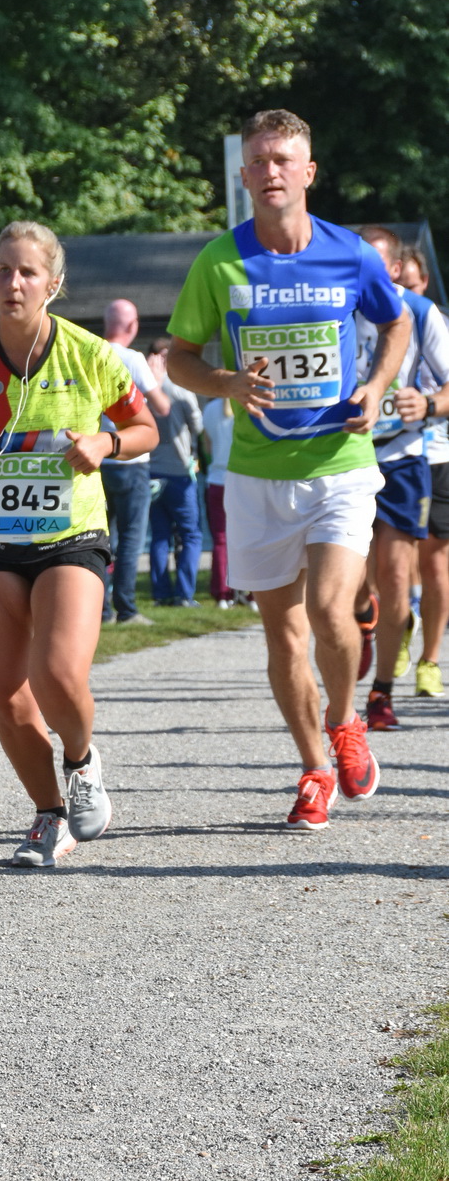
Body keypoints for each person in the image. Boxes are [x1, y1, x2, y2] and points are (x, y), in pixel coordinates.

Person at [167, 108, 409, 831]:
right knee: (282, 636)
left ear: (307, 172)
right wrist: (224, 384)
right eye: (259, 160)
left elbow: (394, 322)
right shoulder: (218, 261)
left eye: (284, 160)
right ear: (244, 176)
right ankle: (312, 766)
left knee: (332, 610)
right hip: (255, 471)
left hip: (338, 460)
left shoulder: (351, 255)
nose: (270, 171)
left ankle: (343, 723)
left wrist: (374, 387)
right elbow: (177, 355)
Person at [0, 222, 157, 868]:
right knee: (8, 694)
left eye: (26, 273)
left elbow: (146, 428)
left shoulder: (89, 354)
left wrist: (105, 443)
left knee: (56, 673)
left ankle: (80, 758)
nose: (12, 283)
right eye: (1, 272)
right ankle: (47, 816)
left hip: (71, 532)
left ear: (52, 284)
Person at [354, 227, 449, 730]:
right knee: (352, 585)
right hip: (344, 458)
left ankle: (381, 693)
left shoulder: (420, 311)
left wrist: (429, 403)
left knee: (395, 579)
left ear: (393, 268)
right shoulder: (332, 309)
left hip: (404, 458)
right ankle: (363, 619)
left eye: (373, 262)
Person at [398, 245, 449, 697]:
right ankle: (399, 616)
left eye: (411, 285)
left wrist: (430, 404)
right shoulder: (368, 321)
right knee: (388, 568)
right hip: (390, 454)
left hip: (439, 455)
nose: (402, 292)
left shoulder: (433, 321)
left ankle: (429, 660)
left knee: (434, 564)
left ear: (423, 284)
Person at [100, 299, 170, 624]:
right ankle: (126, 608)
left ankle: (99, 610)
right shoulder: (134, 359)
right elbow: (162, 406)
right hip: (131, 458)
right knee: (130, 538)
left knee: (97, 537)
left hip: (97, 456)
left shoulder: (91, 351)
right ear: (133, 326)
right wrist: (159, 378)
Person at [144, 337, 203, 605]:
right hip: (179, 472)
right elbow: (198, 427)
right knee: (190, 534)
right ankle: (185, 594)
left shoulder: (142, 392)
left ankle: (160, 595)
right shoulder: (180, 390)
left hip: (150, 471)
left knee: (159, 536)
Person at [201, 395, 236, 606]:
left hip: (216, 479)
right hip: (242, 478)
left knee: (220, 540)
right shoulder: (244, 404)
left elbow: (207, 447)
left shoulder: (210, 408)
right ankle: (251, 594)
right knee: (248, 538)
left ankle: (222, 593)